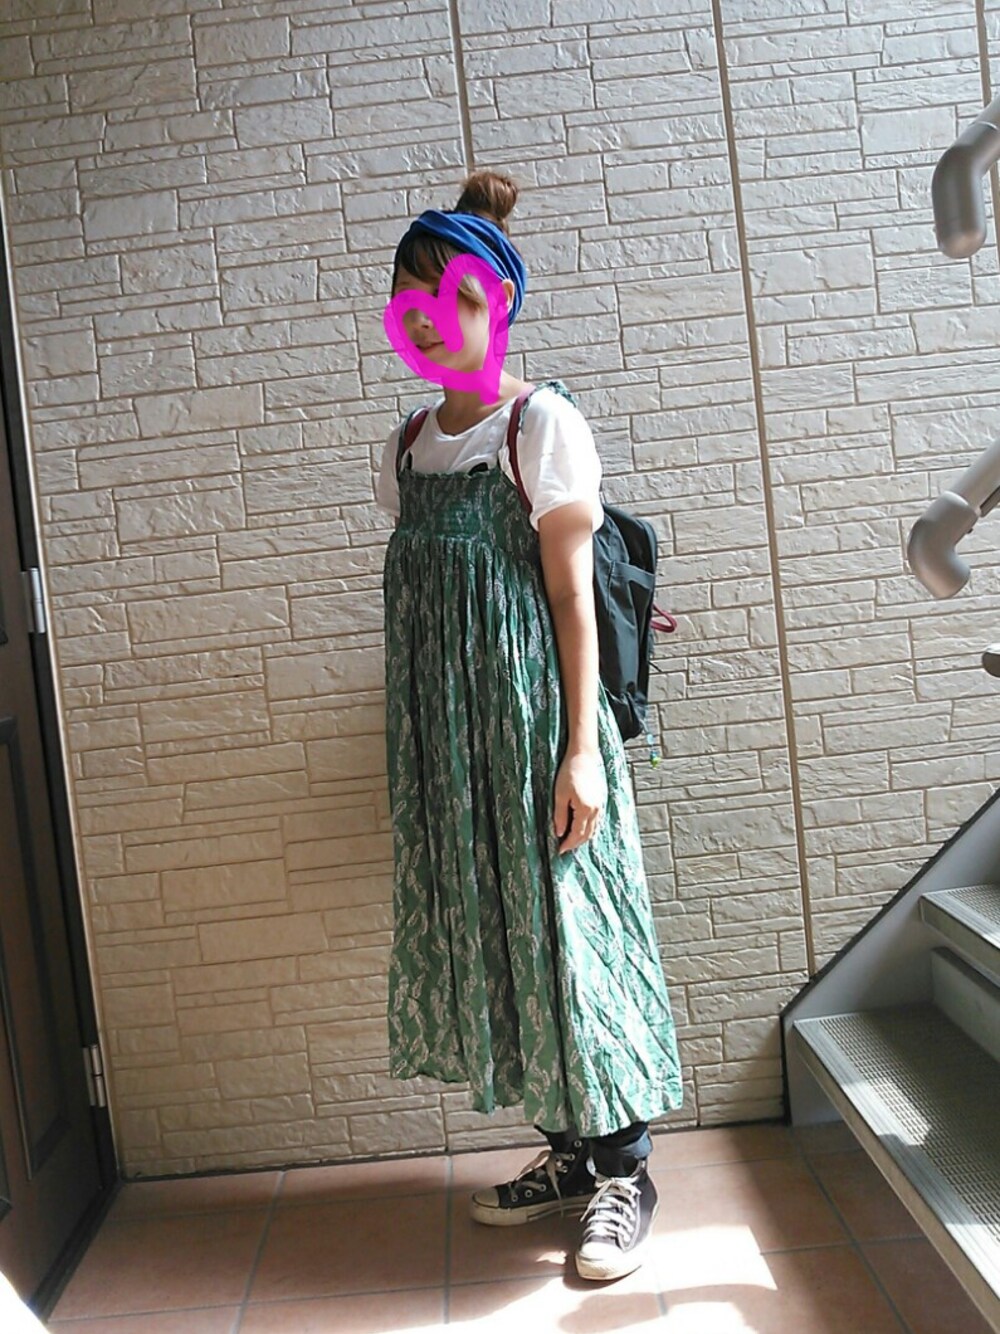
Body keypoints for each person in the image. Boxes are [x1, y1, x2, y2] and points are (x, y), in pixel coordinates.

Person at [375, 168, 682, 1283]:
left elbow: (567, 595)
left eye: (453, 296)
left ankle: (623, 1170)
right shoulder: (408, 444)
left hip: (536, 727)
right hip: (449, 743)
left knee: (571, 935)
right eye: (411, 297)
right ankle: (567, 1152)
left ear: (496, 304)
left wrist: (580, 750)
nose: (429, 318)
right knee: (500, 935)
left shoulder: (538, 423)